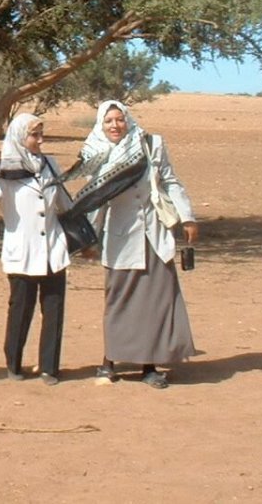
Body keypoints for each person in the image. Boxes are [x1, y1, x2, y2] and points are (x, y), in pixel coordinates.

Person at [76, 99, 199, 389]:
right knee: (119, 300)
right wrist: (89, 239)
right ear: (100, 124)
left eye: (119, 119)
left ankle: (149, 366)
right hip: (121, 238)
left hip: (154, 236)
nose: (115, 125)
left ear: (127, 119)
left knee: (155, 301)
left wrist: (188, 218)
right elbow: (95, 201)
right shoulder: (96, 153)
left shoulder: (151, 144)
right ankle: (109, 362)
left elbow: (170, 182)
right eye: (109, 121)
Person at [0, 113, 70, 385]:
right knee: (21, 308)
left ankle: (49, 368)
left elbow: (63, 201)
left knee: (53, 309)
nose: (40, 140)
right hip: (22, 251)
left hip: (53, 248)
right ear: (20, 137)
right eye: (34, 135)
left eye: (42, 134)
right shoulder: (5, 169)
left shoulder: (49, 164)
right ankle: (14, 363)